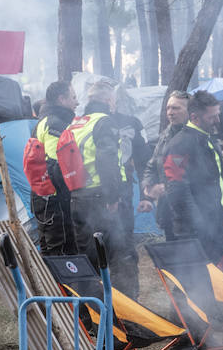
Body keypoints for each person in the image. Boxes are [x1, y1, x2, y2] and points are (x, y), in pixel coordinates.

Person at [58, 94, 138, 295]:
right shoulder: (104, 122)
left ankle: (89, 314)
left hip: (78, 198)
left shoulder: (74, 125)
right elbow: (107, 160)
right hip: (102, 200)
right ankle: (127, 316)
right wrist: (112, 198)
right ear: (108, 104)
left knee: (87, 260)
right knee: (122, 256)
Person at [161, 91, 223, 280]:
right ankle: (184, 309)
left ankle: (210, 309)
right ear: (195, 117)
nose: (217, 120)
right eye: (212, 117)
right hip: (194, 228)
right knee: (195, 279)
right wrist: (196, 225)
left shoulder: (206, 138)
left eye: (218, 114)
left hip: (213, 223)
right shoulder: (180, 144)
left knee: (214, 278)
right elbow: (177, 190)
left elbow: (217, 181)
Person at [84, 80, 149, 295]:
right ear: (109, 100)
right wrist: (112, 197)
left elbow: (143, 159)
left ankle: (122, 308)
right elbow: (105, 159)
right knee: (114, 251)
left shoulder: (131, 122)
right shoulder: (92, 123)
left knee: (114, 252)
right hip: (107, 198)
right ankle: (108, 311)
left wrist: (145, 193)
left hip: (101, 196)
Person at [25, 80, 78, 256]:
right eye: (73, 97)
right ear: (62, 99)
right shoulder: (54, 123)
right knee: (60, 252)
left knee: (52, 251)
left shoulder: (47, 120)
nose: (76, 102)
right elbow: (57, 166)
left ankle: (51, 283)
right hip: (53, 201)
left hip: (46, 198)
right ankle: (58, 284)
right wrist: (72, 195)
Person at [141, 91, 191, 230]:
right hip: (169, 212)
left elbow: (203, 177)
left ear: (189, 110)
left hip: (194, 214)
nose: (170, 112)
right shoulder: (165, 136)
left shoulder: (198, 136)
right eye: (168, 108)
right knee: (172, 249)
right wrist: (148, 189)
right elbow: (152, 165)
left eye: (176, 108)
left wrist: (167, 188)